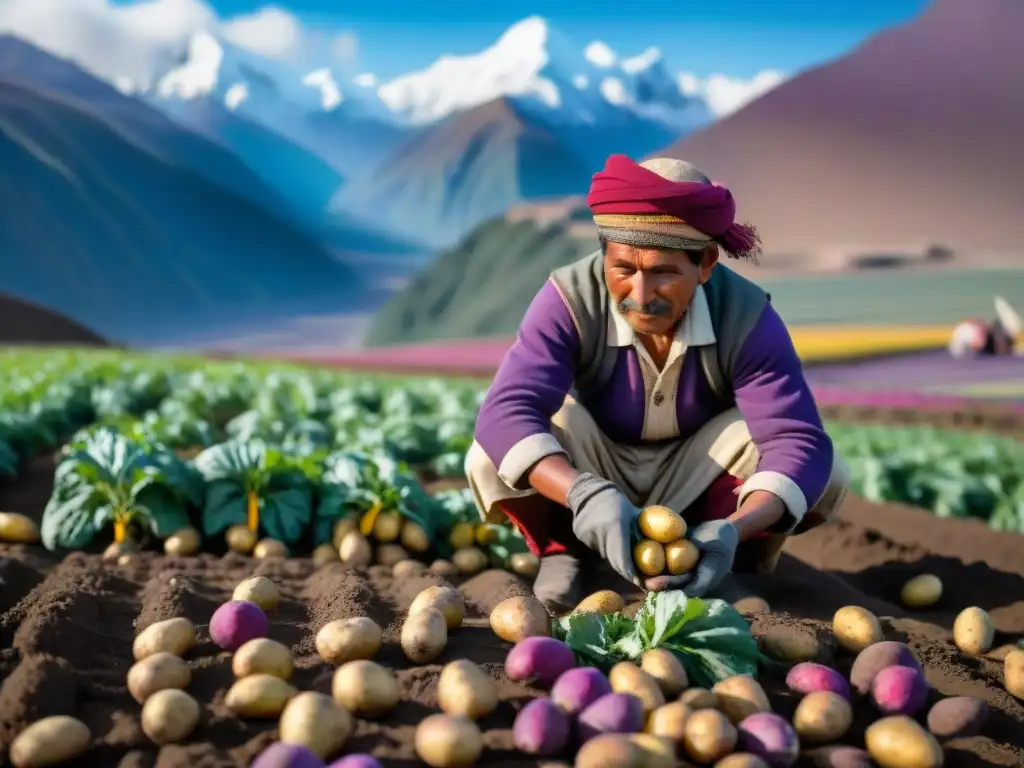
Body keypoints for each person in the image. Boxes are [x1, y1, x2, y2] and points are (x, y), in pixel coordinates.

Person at [465, 154, 850, 614]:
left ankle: (721, 558)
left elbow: (796, 438)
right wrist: (580, 491)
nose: (641, 295)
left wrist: (736, 526)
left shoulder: (747, 317)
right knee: (493, 452)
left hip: (695, 472)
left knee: (824, 475)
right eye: (623, 269)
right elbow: (508, 410)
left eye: (664, 272)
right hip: (596, 461)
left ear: (706, 264)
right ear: (604, 254)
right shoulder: (567, 300)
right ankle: (562, 549)